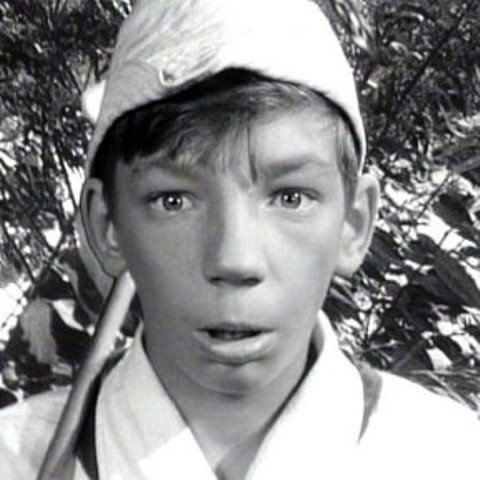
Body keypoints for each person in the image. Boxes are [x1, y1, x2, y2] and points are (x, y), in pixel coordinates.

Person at [1, 0, 479, 479]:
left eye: (290, 197)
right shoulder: (15, 459)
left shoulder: (452, 457)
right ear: (107, 225)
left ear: (353, 223)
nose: (234, 259)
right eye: (173, 201)